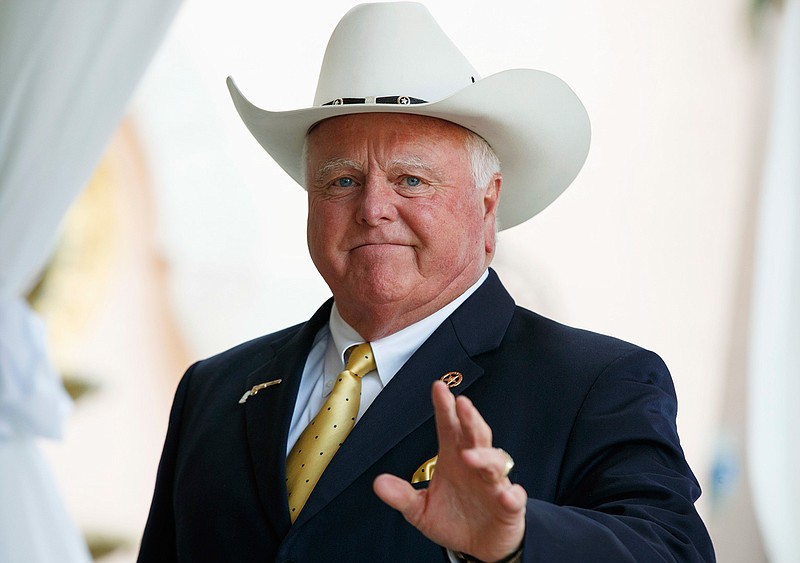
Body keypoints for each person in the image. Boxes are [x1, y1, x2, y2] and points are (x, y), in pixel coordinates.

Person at [138, 3, 715, 562]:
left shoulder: (594, 384)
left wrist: (517, 543)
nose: (373, 209)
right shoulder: (213, 389)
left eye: (411, 180)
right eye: (340, 181)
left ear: (487, 207)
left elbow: (672, 551)